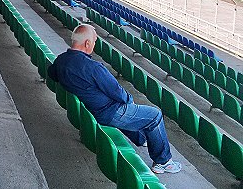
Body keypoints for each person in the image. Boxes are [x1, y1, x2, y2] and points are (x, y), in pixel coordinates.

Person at [47, 24, 182, 174]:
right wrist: (129, 101)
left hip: (93, 110)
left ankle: (142, 139)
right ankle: (163, 161)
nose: (94, 44)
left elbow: (52, 74)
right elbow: (117, 92)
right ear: (87, 43)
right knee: (154, 115)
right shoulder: (93, 67)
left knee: (130, 110)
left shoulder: (61, 60)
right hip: (108, 113)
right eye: (95, 41)